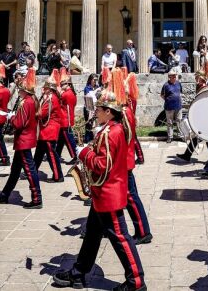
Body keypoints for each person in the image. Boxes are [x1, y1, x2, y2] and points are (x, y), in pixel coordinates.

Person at [53, 79, 146, 291]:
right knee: (93, 235)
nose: (96, 111)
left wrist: (84, 152)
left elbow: (102, 165)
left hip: (108, 192)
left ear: (109, 112)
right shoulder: (110, 128)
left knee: (121, 238)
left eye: (99, 109)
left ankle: (136, 281)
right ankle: (79, 272)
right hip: (103, 192)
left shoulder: (109, 133)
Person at [0, 69, 42, 208]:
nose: (18, 91)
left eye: (20, 89)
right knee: (15, 170)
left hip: (23, 140)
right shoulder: (30, 100)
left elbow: (18, 123)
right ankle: (5, 194)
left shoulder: (26, 102)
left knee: (30, 170)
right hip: (25, 139)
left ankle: (37, 198)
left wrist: (10, 117)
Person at [120, 70, 152, 245]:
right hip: (121, 161)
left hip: (122, 161)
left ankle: (143, 231)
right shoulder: (123, 110)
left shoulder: (124, 112)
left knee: (130, 197)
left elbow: (124, 137)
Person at [36, 72, 65, 183]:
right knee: (39, 153)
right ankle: (32, 170)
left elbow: (41, 113)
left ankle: (58, 176)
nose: (43, 89)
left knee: (51, 155)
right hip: (46, 129)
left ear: (49, 88)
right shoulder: (50, 97)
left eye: (45, 87)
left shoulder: (51, 98)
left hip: (49, 130)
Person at [56, 73, 79, 161]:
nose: (61, 86)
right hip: (66, 118)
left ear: (68, 84)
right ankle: (57, 154)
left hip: (65, 119)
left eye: (63, 84)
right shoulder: (72, 93)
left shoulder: (66, 94)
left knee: (69, 140)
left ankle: (75, 156)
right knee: (61, 140)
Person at [161, 69, 183, 142]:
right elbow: (162, 95)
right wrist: (168, 100)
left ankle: (180, 136)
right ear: (169, 77)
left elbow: (181, 92)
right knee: (170, 122)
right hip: (169, 106)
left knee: (179, 121)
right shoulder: (166, 85)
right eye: (172, 76)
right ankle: (170, 137)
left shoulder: (178, 83)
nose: (174, 77)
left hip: (178, 106)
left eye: (175, 76)